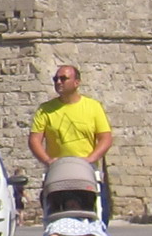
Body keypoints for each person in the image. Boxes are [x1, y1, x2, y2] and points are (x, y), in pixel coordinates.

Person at [30, 64, 114, 222]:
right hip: (58, 171)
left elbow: (105, 138)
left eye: (64, 78)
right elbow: (34, 139)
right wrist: (47, 160)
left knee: (100, 210)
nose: (59, 82)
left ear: (77, 82)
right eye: (56, 79)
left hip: (86, 170)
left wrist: (91, 158)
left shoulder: (93, 107)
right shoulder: (45, 110)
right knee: (52, 208)